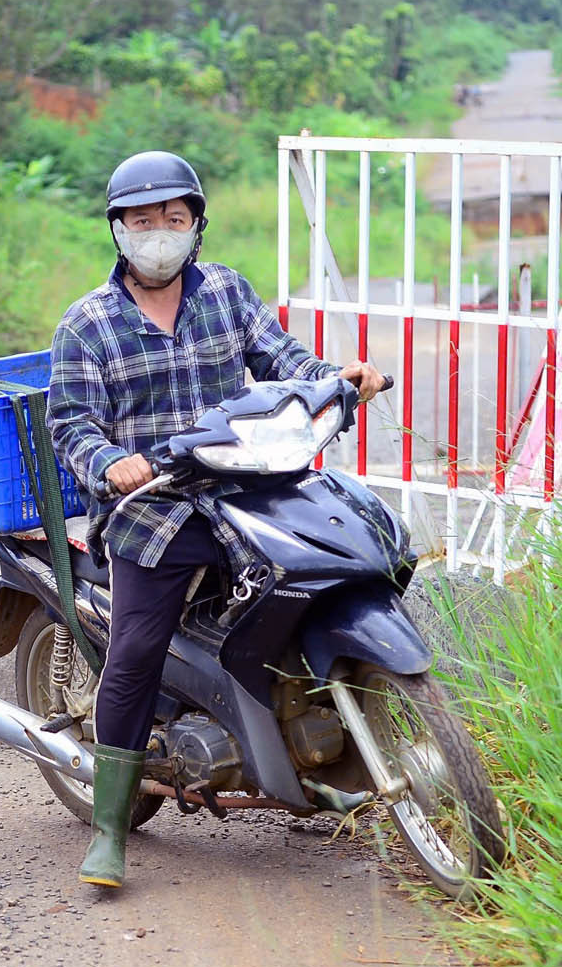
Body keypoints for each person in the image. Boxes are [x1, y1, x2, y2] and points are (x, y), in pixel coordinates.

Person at [46, 150, 386, 888]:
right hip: (152, 508)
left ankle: (303, 748)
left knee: (310, 583)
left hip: (243, 489)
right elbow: (70, 424)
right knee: (135, 650)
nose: (158, 233)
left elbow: (283, 359)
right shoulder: (89, 323)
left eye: (174, 219)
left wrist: (336, 380)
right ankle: (109, 828)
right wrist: (110, 463)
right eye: (143, 221)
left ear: (196, 226)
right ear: (119, 231)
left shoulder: (226, 293)